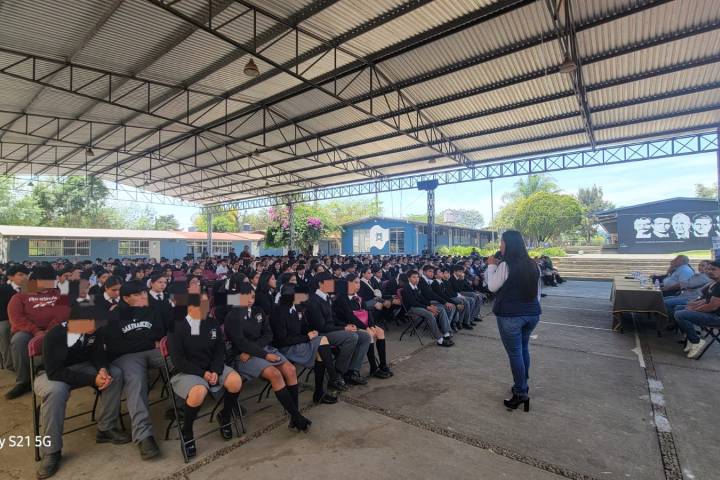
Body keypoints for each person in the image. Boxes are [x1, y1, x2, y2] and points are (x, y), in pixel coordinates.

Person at [34, 319, 129, 478]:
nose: (94, 327)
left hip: (82, 366)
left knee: (115, 374)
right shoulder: (56, 334)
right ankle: (51, 451)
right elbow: (55, 372)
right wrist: (92, 380)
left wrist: (102, 369)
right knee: (55, 392)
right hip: (52, 373)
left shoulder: (95, 329)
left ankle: (106, 428)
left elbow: (97, 353)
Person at [225, 283, 311, 431]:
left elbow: (268, 335)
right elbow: (241, 343)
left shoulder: (258, 311)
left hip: (260, 350)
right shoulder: (232, 316)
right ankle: (297, 417)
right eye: (246, 297)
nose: (250, 300)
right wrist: (263, 354)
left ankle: (294, 416)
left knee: (290, 369)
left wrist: (259, 350)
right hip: (243, 355)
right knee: (275, 374)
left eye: (252, 297)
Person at [168, 289, 243, 459]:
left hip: (212, 367)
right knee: (198, 392)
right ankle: (187, 431)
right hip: (188, 371)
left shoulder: (211, 322)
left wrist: (215, 370)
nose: (206, 306)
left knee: (235, 382)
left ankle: (225, 417)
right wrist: (203, 374)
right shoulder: (176, 327)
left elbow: (219, 349)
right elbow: (179, 361)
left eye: (206, 302)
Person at [105, 281, 165, 460]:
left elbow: (159, 334)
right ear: (126, 298)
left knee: (177, 361)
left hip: (152, 352)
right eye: (137, 294)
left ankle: (180, 408)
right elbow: (115, 346)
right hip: (127, 356)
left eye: (144, 293)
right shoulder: (115, 315)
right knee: (136, 381)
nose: (143, 296)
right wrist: (147, 342)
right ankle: (143, 435)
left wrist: (138, 341)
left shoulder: (152, 310)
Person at [486, 230, 541, 412]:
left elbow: (492, 287)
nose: (500, 246)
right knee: (523, 348)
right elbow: (537, 292)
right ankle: (523, 384)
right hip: (532, 314)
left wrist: (491, 266)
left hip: (511, 315)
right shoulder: (533, 264)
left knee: (515, 353)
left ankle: (520, 392)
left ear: (508, 244)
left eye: (501, 243)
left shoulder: (505, 265)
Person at [6, 264, 70, 400]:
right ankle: (23, 381)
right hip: (27, 330)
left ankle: (52, 372)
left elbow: (63, 313)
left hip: (53, 329)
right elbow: (16, 318)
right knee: (18, 341)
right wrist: (35, 331)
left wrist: (49, 331)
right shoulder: (20, 296)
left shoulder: (59, 294)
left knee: (66, 336)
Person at [270, 285, 340, 404]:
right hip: (286, 348)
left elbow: (303, 327)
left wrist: (311, 332)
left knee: (321, 347)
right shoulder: (278, 312)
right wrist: (307, 337)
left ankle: (322, 389)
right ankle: (331, 379)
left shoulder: (297, 308)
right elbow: (282, 341)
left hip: (299, 341)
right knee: (322, 343)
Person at [306, 272, 366, 387]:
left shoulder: (326, 297)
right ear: (320, 284)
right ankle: (338, 372)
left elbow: (333, 318)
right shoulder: (313, 300)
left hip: (332, 329)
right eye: (330, 282)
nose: (333, 284)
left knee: (365, 337)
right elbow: (321, 327)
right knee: (352, 337)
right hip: (322, 334)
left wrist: (347, 325)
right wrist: (344, 328)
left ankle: (352, 371)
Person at [334, 275, 393, 379]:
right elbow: (350, 317)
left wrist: (371, 325)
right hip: (349, 325)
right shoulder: (341, 298)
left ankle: (383, 365)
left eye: (359, 283)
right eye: (355, 283)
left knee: (380, 332)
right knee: (369, 334)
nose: (358, 285)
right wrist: (366, 328)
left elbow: (367, 312)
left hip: (363, 324)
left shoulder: (359, 297)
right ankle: (373, 368)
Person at [674, 260, 720, 358]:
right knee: (678, 308)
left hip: (716, 317)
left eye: (713, 269)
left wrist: (693, 309)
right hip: (712, 313)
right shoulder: (715, 283)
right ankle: (690, 337)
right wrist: (692, 305)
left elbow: (712, 306)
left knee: (680, 314)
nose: (710, 271)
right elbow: (706, 300)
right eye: (709, 269)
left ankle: (696, 341)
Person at [402, 270, 454, 347]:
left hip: (419, 306)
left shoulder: (416, 286)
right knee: (430, 314)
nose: (416, 279)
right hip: (411, 308)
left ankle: (446, 332)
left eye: (417, 277)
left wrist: (430, 305)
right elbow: (413, 303)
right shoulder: (406, 288)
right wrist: (428, 307)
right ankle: (439, 339)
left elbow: (421, 299)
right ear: (409, 278)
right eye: (414, 277)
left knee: (441, 309)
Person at [0, 264, 29, 370]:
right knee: (5, 330)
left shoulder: (30, 288)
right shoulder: (3, 289)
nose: (24, 277)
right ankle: (10, 364)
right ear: (10, 277)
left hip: (26, 318)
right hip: (6, 319)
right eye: (20, 274)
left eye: (26, 274)